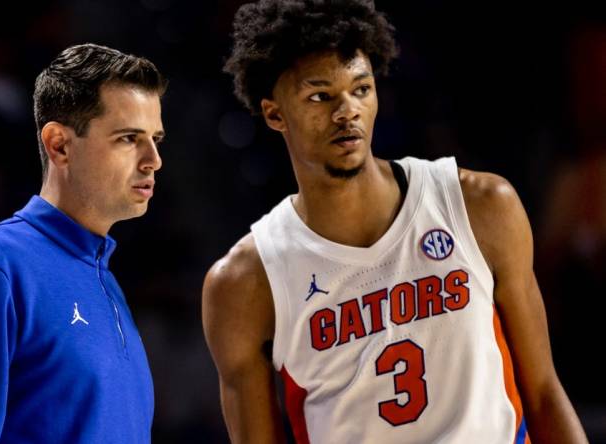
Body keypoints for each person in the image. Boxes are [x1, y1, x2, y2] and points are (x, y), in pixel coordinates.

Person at [201, 1, 588, 443]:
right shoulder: (245, 283)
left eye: (360, 89)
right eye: (320, 96)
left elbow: (542, 393)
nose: (346, 111)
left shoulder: (480, 206)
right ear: (274, 114)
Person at [0, 43, 166, 443]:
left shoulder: (105, 281)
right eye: (129, 138)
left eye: (155, 139)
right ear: (59, 144)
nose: (153, 159)